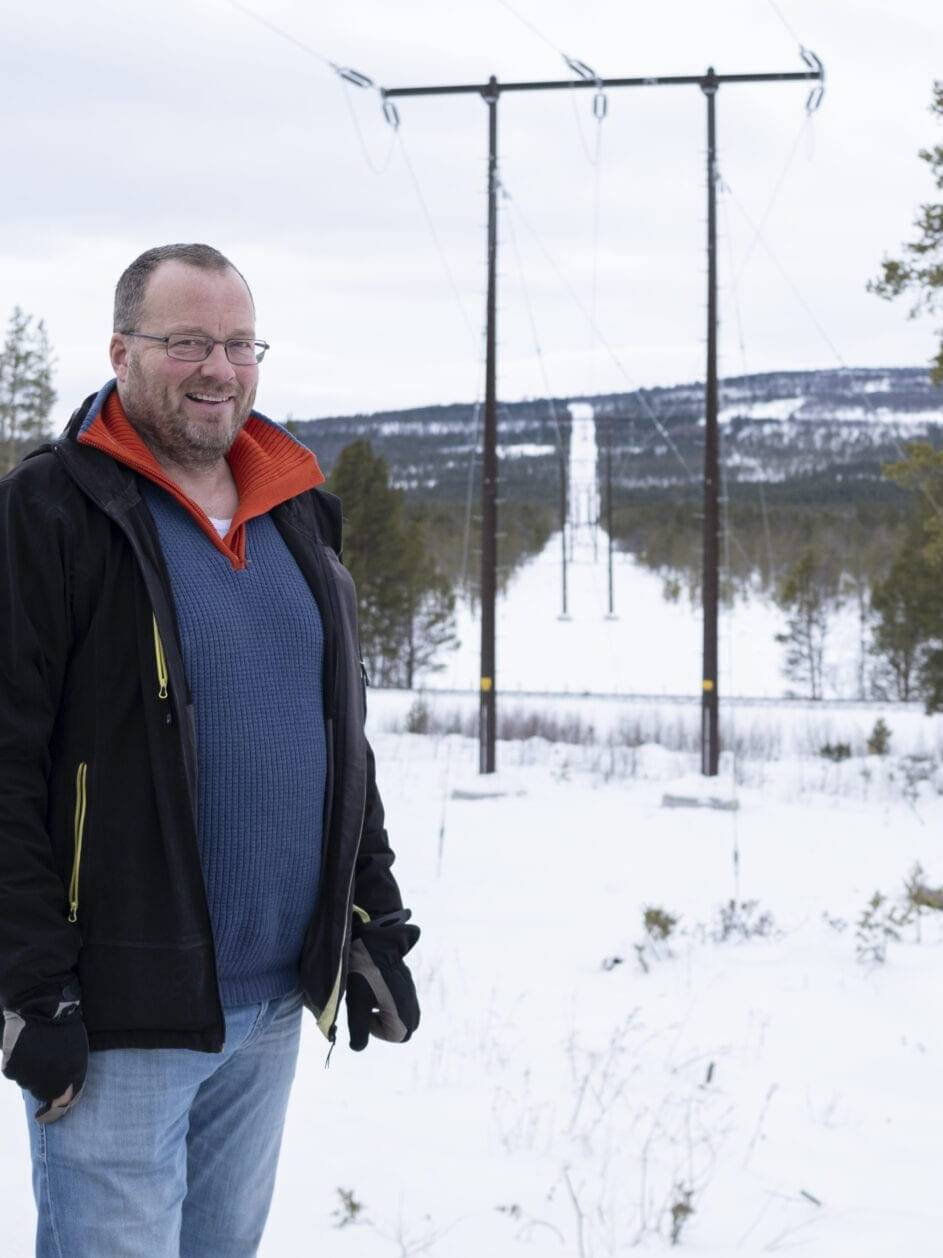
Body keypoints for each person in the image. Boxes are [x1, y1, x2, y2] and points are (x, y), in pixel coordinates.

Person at [0, 243, 420, 1258]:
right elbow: (6, 759)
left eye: (238, 343)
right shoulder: (53, 511)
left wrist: (371, 910)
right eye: (187, 340)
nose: (217, 368)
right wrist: (31, 985)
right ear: (121, 349)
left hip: (274, 1001)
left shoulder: (298, 508)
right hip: (117, 1015)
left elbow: (334, 733)